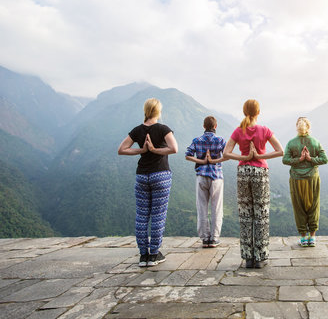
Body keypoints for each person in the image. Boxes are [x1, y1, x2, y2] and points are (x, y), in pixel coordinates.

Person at [117, 98, 178, 267]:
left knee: (142, 215)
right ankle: (154, 254)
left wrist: (142, 151)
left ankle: (143, 255)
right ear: (158, 111)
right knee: (158, 215)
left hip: (142, 176)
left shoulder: (137, 130)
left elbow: (121, 149)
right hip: (161, 175)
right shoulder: (163, 129)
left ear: (145, 110)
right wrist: (155, 150)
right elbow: (174, 149)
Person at [223, 99, 283, 269]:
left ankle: (248, 258)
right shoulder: (264, 130)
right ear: (258, 112)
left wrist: (244, 158)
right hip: (260, 173)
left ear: (244, 112)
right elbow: (280, 150)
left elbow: (226, 152)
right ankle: (260, 257)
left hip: (243, 173)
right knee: (261, 215)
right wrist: (259, 156)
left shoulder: (238, 131)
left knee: (245, 214)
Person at [282, 117, 328, 247]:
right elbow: (324, 159)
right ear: (308, 127)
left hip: (296, 179)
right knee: (313, 205)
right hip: (312, 178)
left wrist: (299, 159)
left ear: (297, 127)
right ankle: (312, 237)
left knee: (299, 206)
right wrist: (310, 159)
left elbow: (285, 160)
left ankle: (303, 237)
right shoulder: (315, 142)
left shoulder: (291, 143)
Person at [185, 116, 228, 249]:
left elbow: (188, 155)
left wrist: (202, 161)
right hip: (216, 176)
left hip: (201, 176)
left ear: (204, 126)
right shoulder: (220, 140)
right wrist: (215, 160)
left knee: (202, 208)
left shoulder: (197, 140)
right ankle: (214, 238)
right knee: (216, 208)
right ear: (215, 126)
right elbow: (228, 155)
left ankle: (205, 238)